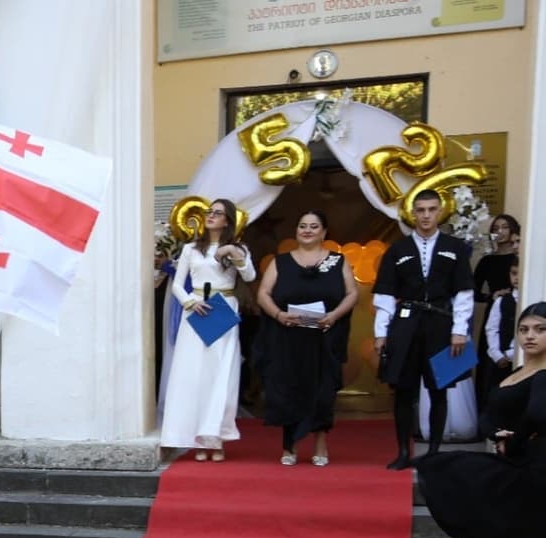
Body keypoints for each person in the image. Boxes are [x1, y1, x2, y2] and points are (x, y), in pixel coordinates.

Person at [416, 302, 546, 538]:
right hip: (517, 471)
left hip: (538, 475)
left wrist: (517, 436)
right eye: (524, 329)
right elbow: (489, 418)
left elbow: (539, 416)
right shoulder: (513, 373)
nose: (530, 336)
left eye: (539, 329)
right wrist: (501, 434)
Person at [373, 189, 474, 469]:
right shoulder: (397, 250)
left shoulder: (455, 248)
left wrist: (460, 330)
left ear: (439, 212)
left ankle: (433, 452)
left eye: (431, 209)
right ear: (412, 213)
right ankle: (403, 452)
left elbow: (464, 292)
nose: (426, 215)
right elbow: (383, 295)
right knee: (403, 390)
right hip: (406, 322)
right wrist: (381, 333)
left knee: (439, 388)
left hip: (441, 322)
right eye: (421, 210)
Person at [255, 211, 358, 465]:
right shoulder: (280, 262)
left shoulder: (337, 261)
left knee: (323, 391)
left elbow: (352, 293)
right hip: (288, 337)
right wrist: (279, 315)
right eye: (302, 226)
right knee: (289, 389)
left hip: (324, 337)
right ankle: (289, 446)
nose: (307, 230)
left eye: (314, 226)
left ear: (324, 232)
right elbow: (263, 294)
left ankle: (321, 444)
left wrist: (334, 316)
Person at [160, 199, 256, 461]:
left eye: (217, 213)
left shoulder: (238, 249)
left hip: (223, 308)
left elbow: (249, 276)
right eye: (209, 212)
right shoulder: (191, 248)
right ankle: (193, 438)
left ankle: (214, 439)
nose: (211, 216)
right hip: (197, 309)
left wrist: (232, 252)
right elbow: (179, 284)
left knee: (219, 373)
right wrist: (191, 302)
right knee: (192, 373)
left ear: (228, 220)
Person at [480, 258, 520, 408]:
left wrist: (512, 354)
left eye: (519, 273)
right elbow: (491, 328)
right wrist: (496, 353)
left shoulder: (531, 300)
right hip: (500, 360)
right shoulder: (502, 301)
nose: (516, 277)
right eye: (513, 273)